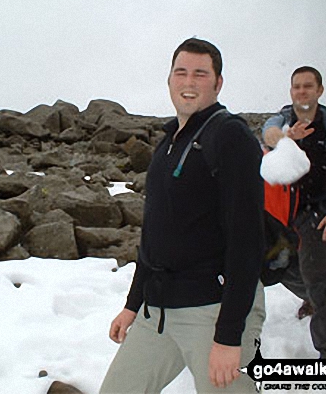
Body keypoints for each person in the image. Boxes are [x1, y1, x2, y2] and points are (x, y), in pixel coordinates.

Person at [100, 38, 266, 393]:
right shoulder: (168, 143)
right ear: (169, 79)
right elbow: (154, 234)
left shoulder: (229, 135)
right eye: (181, 72)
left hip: (212, 310)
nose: (188, 82)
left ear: (218, 83)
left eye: (200, 74)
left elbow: (247, 240)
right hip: (157, 310)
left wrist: (228, 335)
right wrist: (133, 304)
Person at [262, 66, 326, 359]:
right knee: (273, 266)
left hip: (318, 213)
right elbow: (268, 134)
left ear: (319, 90)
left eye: (308, 86)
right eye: (296, 86)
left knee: (318, 280)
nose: (301, 91)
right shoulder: (282, 120)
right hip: (280, 213)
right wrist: (285, 139)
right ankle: (313, 297)